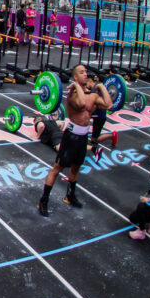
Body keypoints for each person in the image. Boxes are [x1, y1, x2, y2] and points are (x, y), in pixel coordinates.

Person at [37, 64, 111, 217]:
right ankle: (43, 201)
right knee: (58, 168)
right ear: (75, 77)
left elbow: (109, 105)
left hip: (83, 137)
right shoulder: (72, 96)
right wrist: (77, 86)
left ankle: (69, 196)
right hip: (70, 136)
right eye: (81, 73)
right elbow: (82, 104)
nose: (85, 74)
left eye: (86, 72)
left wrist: (102, 87)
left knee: (76, 167)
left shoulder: (93, 96)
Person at [86, 76, 119, 161]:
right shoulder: (94, 89)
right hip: (96, 115)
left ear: (89, 81)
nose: (86, 86)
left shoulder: (97, 87)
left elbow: (106, 103)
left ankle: (112, 135)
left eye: (86, 84)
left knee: (94, 140)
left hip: (100, 117)